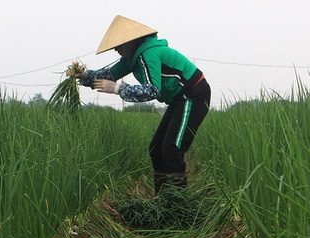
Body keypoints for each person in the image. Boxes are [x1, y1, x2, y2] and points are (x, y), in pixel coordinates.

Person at [73, 15, 211, 193]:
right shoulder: (134, 59)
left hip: (193, 94)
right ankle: (163, 198)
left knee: (172, 149)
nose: (116, 49)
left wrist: (117, 89)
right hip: (178, 99)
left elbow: (153, 90)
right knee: (156, 148)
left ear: (131, 42)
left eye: (119, 45)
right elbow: (108, 75)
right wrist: (84, 77)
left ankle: (180, 205)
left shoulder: (149, 54)